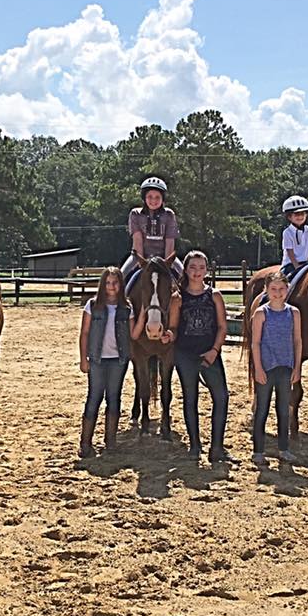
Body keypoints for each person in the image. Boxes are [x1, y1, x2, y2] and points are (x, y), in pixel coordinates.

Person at [164, 250, 230, 462]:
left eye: (201, 267)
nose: (197, 272)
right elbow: (174, 327)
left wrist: (214, 351)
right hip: (186, 354)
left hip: (209, 352)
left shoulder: (215, 296)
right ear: (186, 269)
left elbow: (221, 327)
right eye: (193, 267)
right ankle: (195, 445)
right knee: (190, 398)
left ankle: (217, 447)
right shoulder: (177, 298)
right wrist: (168, 336)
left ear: (207, 270)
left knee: (221, 397)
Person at [77, 267, 147, 458]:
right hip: (97, 359)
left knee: (114, 398)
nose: (111, 286)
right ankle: (85, 442)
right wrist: (83, 359)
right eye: (108, 283)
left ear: (120, 285)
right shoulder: (93, 306)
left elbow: (133, 334)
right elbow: (84, 333)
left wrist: (142, 317)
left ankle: (111, 441)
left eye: (115, 282)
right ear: (103, 285)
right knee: (94, 397)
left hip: (118, 360)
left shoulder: (127, 308)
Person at [250, 271, 302, 466]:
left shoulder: (294, 313)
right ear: (267, 290)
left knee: (283, 409)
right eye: (273, 289)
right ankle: (258, 450)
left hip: (285, 366)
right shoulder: (261, 313)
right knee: (262, 409)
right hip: (266, 366)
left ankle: (283, 448)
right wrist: (258, 369)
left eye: (281, 289)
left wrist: (296, 367)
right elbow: (255, 343)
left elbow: (297, 341)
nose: (278, 293)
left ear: (287, 289)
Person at [121, 175, 183, 294]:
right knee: (119, 276)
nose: (153, 200)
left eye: (157, 197)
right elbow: (137, 242)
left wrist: (166, 264)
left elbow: (170, 243)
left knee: (186, 275)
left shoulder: (169, 215)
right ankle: (117, 305)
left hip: (164, 257)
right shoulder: (136, 214)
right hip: (139, 257)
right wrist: (142, 263)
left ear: (162, 199)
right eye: (150, 197)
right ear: (144, 198)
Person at [280, 195, 308, 279]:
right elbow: (290, 251)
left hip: (307, 263)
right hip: (291, 264)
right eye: (296, 214)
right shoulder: (287, 232)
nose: (300, 217)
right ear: (289, 217)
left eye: (303, 214)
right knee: (284, 282)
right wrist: (297, 266)